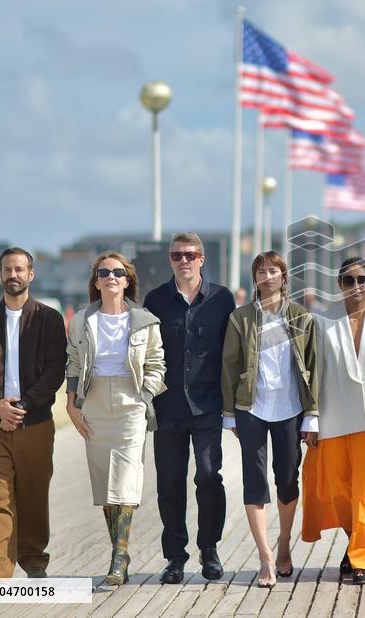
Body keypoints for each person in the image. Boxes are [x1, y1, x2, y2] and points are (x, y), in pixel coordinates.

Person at [0, 247, 67, 578]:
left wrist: (23, 406)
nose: (14, 275)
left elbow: (55, 370)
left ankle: (34, 561)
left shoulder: (49, 319)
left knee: (34, 493)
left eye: (20, 269)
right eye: (8, 269)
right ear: (0, 274)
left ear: (31, 274)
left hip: (35, 422)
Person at [302, 257, 365, 585]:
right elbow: (314, 374)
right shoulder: (321, 321)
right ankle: (354, 543)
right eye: (348, 280)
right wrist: (311, 419)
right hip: (333, 418)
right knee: (338, 491)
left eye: (361, 279)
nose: (355, 285)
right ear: (339, 284)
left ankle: (361, 557)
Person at [65, 252, 166, 585]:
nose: (111, 276)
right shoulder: (81, 321)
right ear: (96, 281)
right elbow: (74, 364)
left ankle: (118, 558)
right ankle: (120, 549)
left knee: (124, 480)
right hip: (93, 402)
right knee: (105, 483)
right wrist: (71, 403)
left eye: (118, 272)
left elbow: (156, 363)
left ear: (127, 280)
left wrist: (145, 397)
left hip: (130, 402)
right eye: (104, 272)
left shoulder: (145, 319)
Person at [221, 251, 318, 587]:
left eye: (273, 270)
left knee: (288, 480)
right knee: (254, 480)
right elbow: (229, 366)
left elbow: (313, 367)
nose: (267, 276)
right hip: (252, 409)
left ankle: (284, 544)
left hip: (290, 409)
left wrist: (312, 415)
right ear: (255, 278)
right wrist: (229, 413)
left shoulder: (302, 318)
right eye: (260, 271)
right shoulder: (241, 319)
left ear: (284, 276)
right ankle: (265, 558)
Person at [143, 232, 236, 583]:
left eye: (190, 255)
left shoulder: (222, 299)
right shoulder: (155, 300)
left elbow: (234, 350)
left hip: (209, 405)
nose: (184, 260)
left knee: (209, 476)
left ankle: (209, 549)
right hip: (167, 407)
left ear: (202, 258)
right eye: (177, 255)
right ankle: (175, 557)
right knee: (169, 483)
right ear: (170, 259)